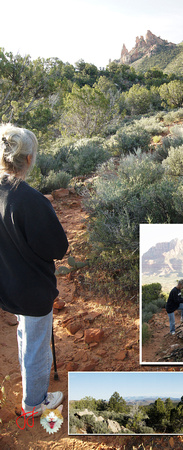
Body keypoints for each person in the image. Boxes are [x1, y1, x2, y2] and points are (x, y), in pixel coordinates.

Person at [0, 124, 69, 416]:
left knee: (27, 337)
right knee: (37, 345)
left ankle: (32, 391)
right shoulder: (30, 200)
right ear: (28, 159)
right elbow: (57, 249)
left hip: (6, 284)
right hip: (32, 289)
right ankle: (34, 403)